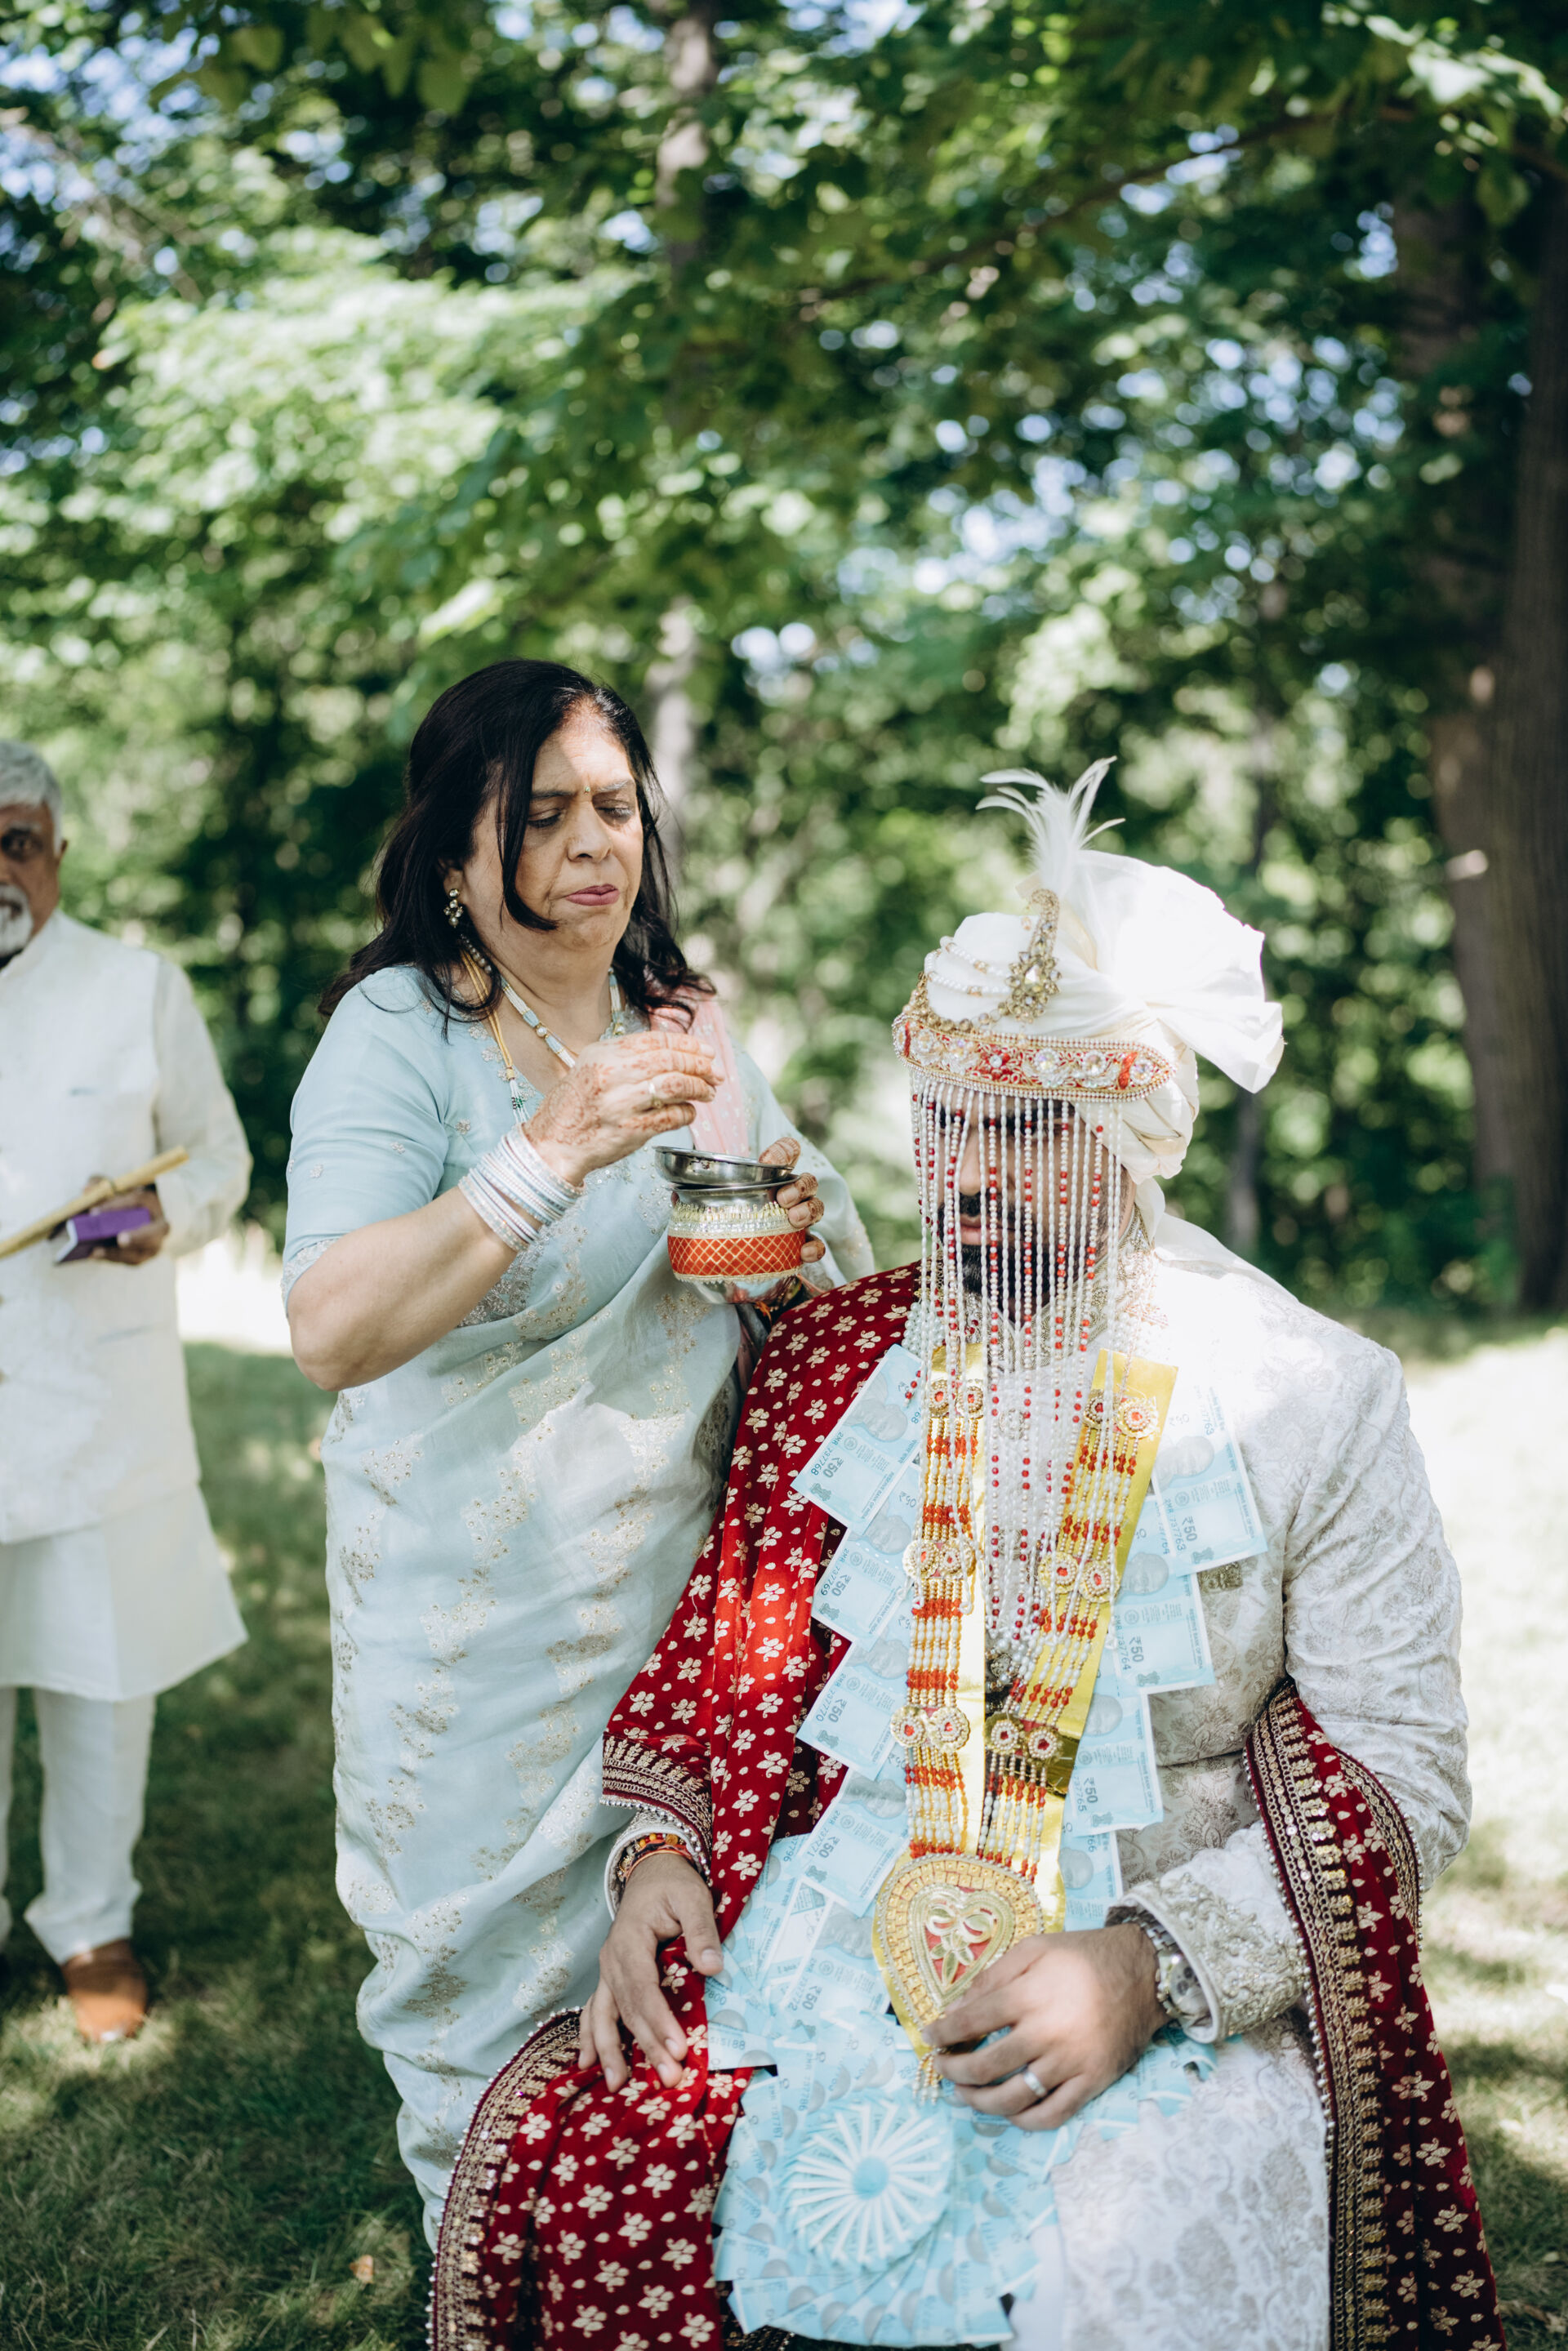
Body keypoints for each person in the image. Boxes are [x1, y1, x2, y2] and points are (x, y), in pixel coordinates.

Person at [434, 763, 1503, 2351]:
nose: (971, 1181)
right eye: (948, 1129)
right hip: (829, 1916)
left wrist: (1147, 1968)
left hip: (1155, 1945)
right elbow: (727, 1662)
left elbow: (1405, 1774)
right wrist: (659, 1857)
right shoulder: (837, 1361)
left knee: (1102, 2270)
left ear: (1130, 1141)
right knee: (620, 2176)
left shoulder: (1308, 1395)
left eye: (1026, 1135)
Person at [283, 658, 872, 2237]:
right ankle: (484, 2267)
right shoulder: (398, 1033)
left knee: (678, 1995)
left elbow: (801, 1284)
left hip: (673, 1615)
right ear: (455, 856)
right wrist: (553, 1147)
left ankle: (658, 2271)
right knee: (476, 2026)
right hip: (467, 1633)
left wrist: (787, 1232)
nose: (592, 842)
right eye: (541, 815)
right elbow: (330, 1328)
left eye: (614, 806)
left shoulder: (684, 1029)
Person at [0, 740, 251, 2043]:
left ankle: (91, 1921)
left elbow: (217, 1158)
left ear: (56, 851)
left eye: (15, 843)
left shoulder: (136, 986)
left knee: (100, 1678)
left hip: (95, 1405)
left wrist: (162, 1216)